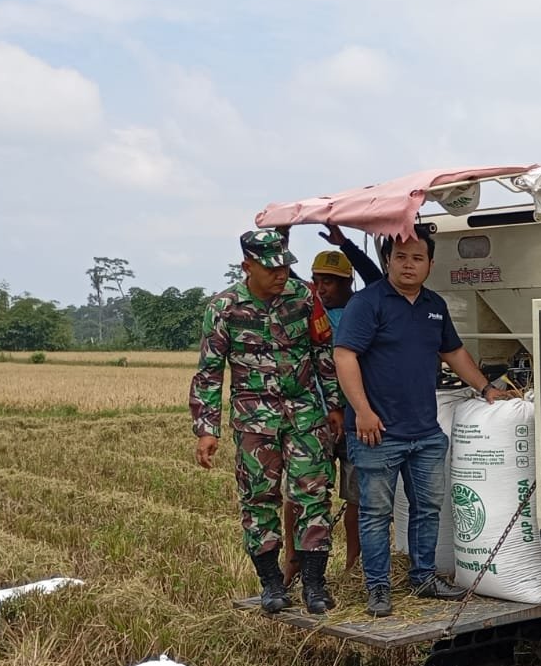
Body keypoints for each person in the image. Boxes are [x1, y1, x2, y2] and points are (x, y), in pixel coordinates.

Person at [334, 224, 516, 617]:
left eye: (418, 258)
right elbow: (345, 356)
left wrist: (486, 388)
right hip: (378, 431)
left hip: (425, 431)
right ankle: (378, 588)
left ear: (431, 264)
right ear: (387, 260)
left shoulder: (435, 305)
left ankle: (423, 577)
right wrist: (363, 411)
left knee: (428, 507)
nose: (409, 265)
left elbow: (454, 352)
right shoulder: (367, 303)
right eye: (401, 257)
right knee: (375, 513)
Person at [191, 229, 343, 615]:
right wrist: (207, 429)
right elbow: (209, 372)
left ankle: (315, 584)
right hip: (254, 421)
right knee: (259, 500)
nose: (281, 274)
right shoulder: (223, 308)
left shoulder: (304, 297)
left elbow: (323, 353)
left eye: (285, 266)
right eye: (271, 268)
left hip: (305, 414)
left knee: (313, 494)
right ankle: (272, 584)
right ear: (248, 266)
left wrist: (334, 405)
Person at [281, 247, 365, 584]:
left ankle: (353, 569)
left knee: (357, 496)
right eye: (317, 280)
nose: (322, 287)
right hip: (312, 418)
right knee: (301, 493)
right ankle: (292, 562)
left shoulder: (362, 311)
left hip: (356, 417)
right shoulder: (305, 311)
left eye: (330, 281)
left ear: (348, 283)